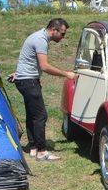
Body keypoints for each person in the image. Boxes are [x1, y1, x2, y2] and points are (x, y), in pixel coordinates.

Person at [13, 18, 76, 161]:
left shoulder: (37, 36)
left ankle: (33, 147)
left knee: (32, 113)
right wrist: (67, 74)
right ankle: (42, 152)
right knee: (41, 116)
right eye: (62, 33)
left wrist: (18, 73)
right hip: (29, 81)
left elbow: (25, 59)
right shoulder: (40, 40)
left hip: (24, 80)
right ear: (54, 30)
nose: (63, 37)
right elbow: (45, 66)